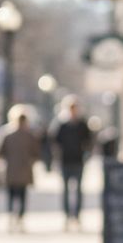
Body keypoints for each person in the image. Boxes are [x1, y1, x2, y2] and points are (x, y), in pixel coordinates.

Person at [0, 105, 42, 232]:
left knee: (12, 195)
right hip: (24, 170)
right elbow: (36, 152)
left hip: (11, 170)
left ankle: (12, 217)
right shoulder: (29, 134)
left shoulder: (6, 133)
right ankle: (19, 218)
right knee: (21, 195)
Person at [48, 95, 94, 230]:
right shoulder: (61, 124)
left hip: (79, 161)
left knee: (79, 190)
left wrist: (87, 154)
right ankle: (67, 217)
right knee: (66, 191)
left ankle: (77, 217)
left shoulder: (82, 124)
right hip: (65, 161)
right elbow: (54, 141)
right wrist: (56, 156)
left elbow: (89, 141)